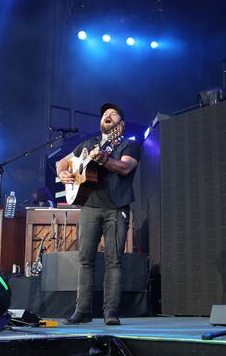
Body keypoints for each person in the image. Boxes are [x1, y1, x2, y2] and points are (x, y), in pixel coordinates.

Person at [56, 103, 141, 325]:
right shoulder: (88, 144)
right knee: (85, 260)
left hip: (116, 207)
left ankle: (110, 312)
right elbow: (61, 161)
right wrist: (64, 173)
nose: (108, 116)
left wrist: (103, 158)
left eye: (113, 114)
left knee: (114, 261)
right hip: (89, 206)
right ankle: (82, 310)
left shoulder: (129, 145)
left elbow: (124, 168)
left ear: (120, 125)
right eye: (104, 114)